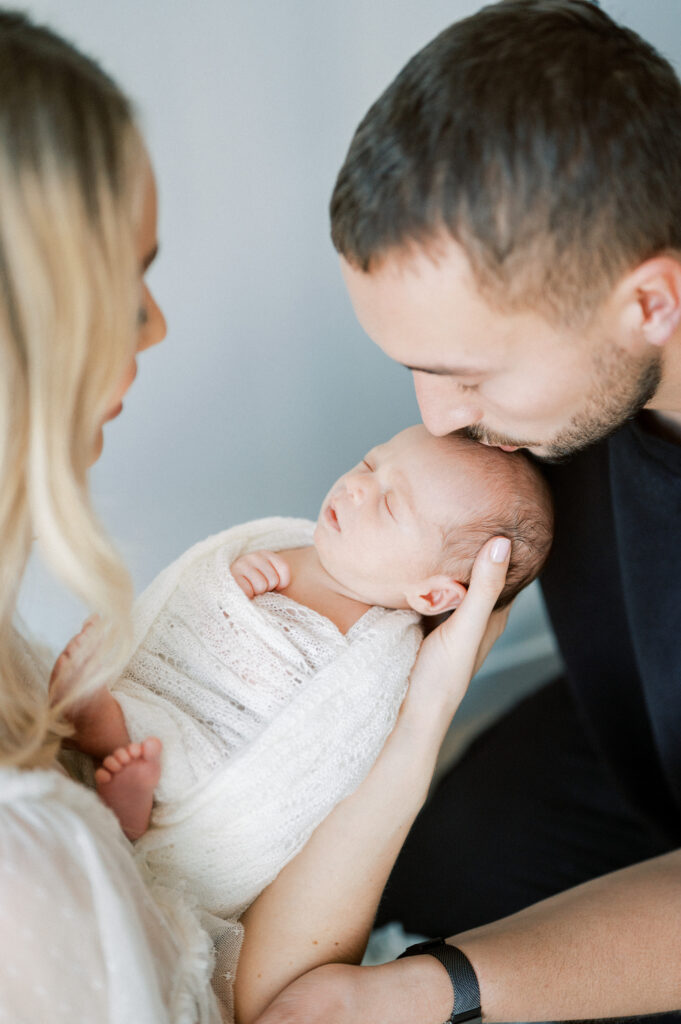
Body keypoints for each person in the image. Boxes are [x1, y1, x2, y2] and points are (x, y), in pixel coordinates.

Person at [0, 10, 515, 1023]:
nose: (158, 323)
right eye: (129, 277)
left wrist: (415, 725)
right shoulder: (29, 880)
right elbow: (263, 1004)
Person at [251, 1, 681, 1021]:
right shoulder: (568, 396)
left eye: (466, 375)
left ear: (654, 301)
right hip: (627, 744)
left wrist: (429, 992)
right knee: (428, 869)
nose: (437, 417)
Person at [50, 428, 551, 910]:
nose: (356, 486)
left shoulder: (377, 656)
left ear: (432, 594)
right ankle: (119, 750)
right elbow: (199, 600)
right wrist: (234, 583)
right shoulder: (288, 543)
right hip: (185, 684)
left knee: (190, 758)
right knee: (150, 708)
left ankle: (114, 751)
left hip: (227, 744)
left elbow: (318, 746)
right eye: (371, 463)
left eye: (390, 503)